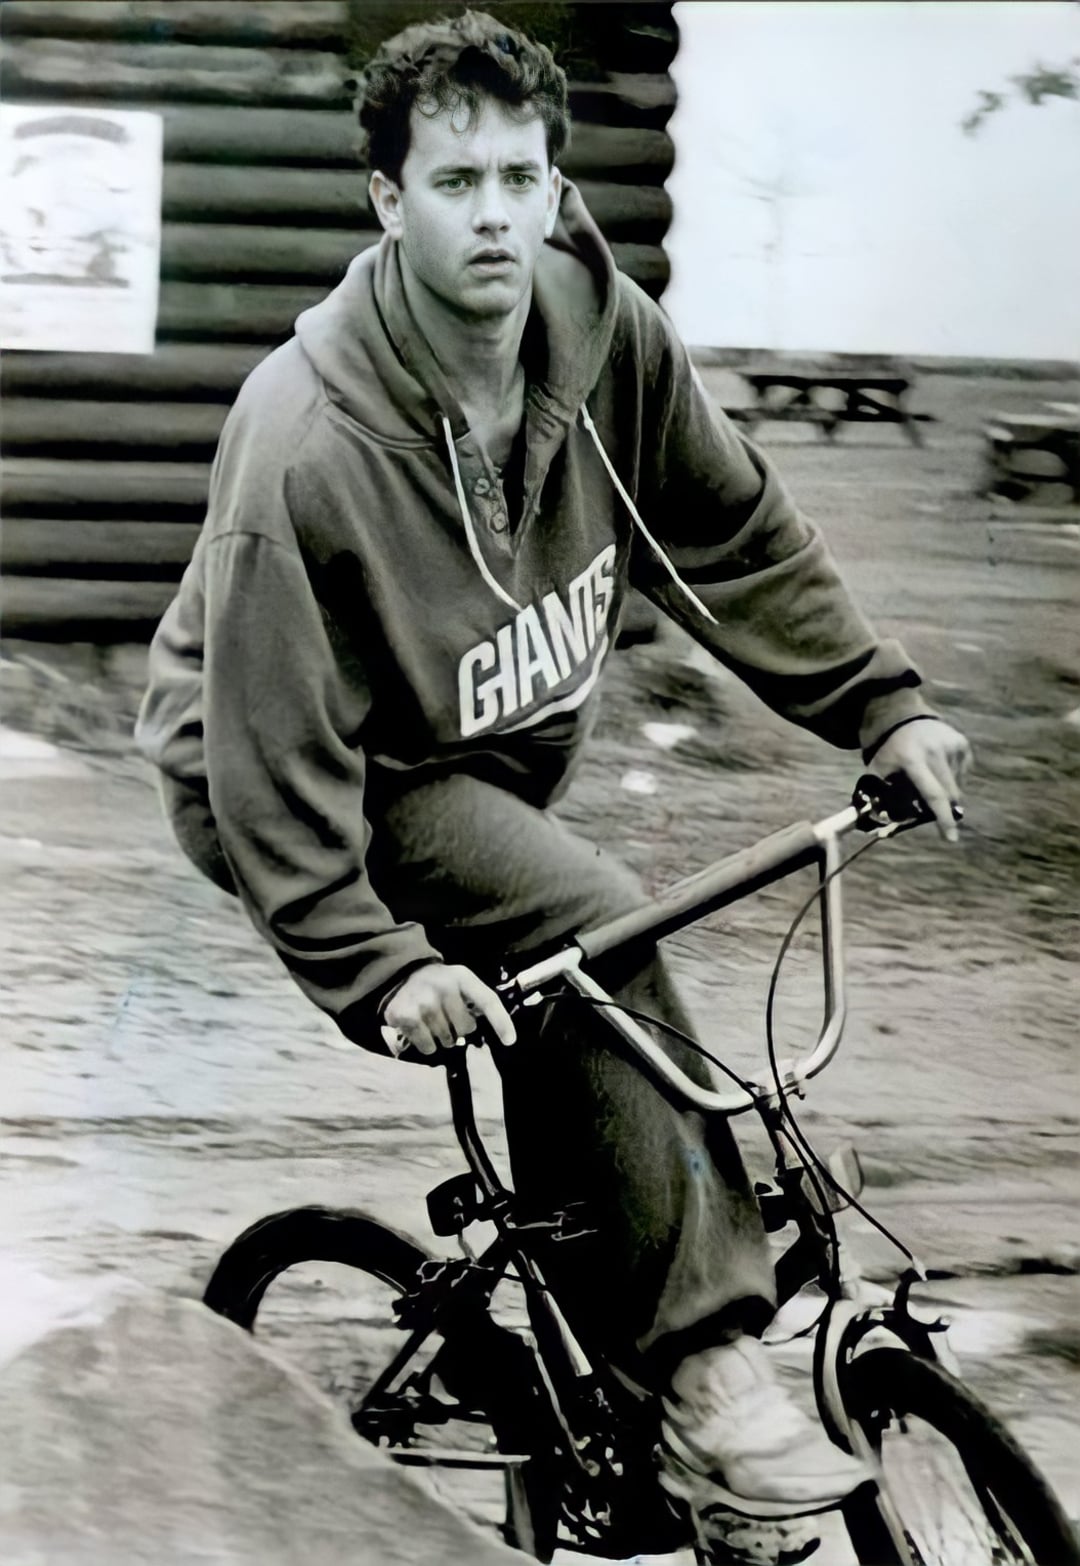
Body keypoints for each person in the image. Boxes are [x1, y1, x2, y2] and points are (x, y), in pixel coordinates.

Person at [136, 10, 970, 1557]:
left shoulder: (602, 334)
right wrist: (375, 966)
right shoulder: (305, 439)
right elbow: (266, 757)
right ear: (388, 199)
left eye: (522, 174)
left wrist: (882, 710)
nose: (499, 213)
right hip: (305, 766)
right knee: (592, 926)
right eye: (457, 181)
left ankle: (621, 1342)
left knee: (563, 980)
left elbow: (737, 532)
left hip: (466, 750)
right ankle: (706, 1382)